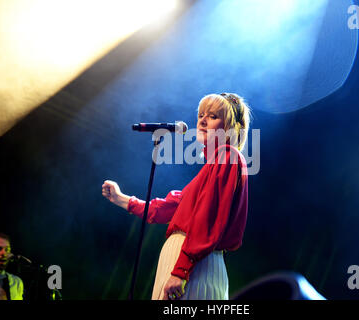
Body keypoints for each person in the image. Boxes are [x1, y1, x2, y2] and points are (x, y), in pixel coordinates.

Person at [102, 93, 251, 300]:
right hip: (188, 262)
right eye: (201, 114)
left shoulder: (229, 156)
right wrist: (122, 199)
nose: (202, 120)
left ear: (229, 128)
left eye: (213, 116)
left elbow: (206, 219)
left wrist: (181, 270)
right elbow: (167, 208)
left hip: (194, 265)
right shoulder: (209, 171)